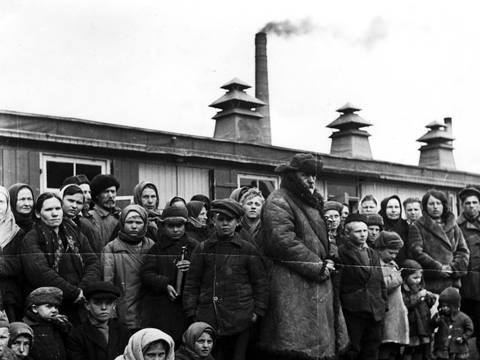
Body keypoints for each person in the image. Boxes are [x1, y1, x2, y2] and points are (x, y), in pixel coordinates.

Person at [258, 153, 348, 360]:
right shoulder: (278, 200)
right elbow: (282, 241)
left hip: (316, 285)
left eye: (313, 176)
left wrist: (331, 259)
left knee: (316, 347)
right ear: (291, 176)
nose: (311, 180)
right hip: (291, 285)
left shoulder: (310, 201)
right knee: (295, 347)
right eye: (304, 175)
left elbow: (326, 238)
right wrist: (317, 266)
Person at [183, 199, 268, 360]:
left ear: (237, 222)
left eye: (229, 220)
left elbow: (260, 283)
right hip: (209, 318)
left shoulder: (247, 249)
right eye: (220, 219)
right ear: (213, 221)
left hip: (241, 318)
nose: (225, 224)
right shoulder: (202, 249)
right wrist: (191, 311)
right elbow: (192, 283)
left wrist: (258, 311)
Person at [21, 192, 100, 324]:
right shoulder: (32, 238)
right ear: (38, 214)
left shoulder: (74, 233)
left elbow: (92, 261)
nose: (55, 213)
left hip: (80, 303)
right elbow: (41, 273)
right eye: (48, 209)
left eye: (57, 208)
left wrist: (83, 289)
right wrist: (73, 293)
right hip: (50, 307)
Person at [141, 206, 198, 344]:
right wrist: (165, 284)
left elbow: (205, 274)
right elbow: (146, 274)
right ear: (163, 226)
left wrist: (192, 267)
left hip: (188, 307)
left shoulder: (195, 247)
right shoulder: (157, 248)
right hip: (163, 308)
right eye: (170, 226)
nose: (175, 230)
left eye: (179, 225)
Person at [338, 213, 387, 360]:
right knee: (353, 349)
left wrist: (384, 303)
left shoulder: (373, 254)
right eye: (358, 231)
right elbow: (339, 284)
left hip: (375, 310)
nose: (363, 235)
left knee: (372, 347)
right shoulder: (341, 253)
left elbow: (380, 281)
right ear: (347, 233)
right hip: (354, 310)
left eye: (365, 231)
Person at [102, 205, 154, 332]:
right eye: (130, 222)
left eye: (138, 222)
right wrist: (112, 313)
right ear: (122, 223)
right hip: (124, 310)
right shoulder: (112, 248)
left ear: (145, 224)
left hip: (148, 309)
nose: (134, 226)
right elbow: (107, 281)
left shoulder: (152, 246)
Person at [409, 189, 470, 294]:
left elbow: (463, 250)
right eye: (431, 204)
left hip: (452, 281)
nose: (435, 207)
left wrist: (453, 268)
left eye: (438, 203)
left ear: (444, 205)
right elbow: (417, 252)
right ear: (425, 206)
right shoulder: (417, 226)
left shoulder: (453, 225)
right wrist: (439, 268)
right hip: (431, 284)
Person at [66, 281, 130, 360]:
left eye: (108, 303)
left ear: (114, 305)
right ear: (87, 305)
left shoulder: (123, 331)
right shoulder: (77, 336)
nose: (103, 307)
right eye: (98, 303)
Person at [375, 231, 409, 360]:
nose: (394, 256)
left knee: (393, 347)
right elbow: (381, 286)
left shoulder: (391, 264)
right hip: (387, 312)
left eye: (396, 253)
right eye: (391, 253)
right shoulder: (377, 264)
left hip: (395, 311)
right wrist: (397, 278)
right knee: (385, 345)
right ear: (380, 249)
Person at [456, 186, 480, 354]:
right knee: (466, 328)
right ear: (462, 206)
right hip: (468, 287)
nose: (472, 206)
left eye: (475, 202)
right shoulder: (457, 227)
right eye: (468, 203)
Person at [23, 287, 71, 360]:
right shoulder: (26, 327)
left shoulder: (57, 325)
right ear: (34, 309)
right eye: (49, 306)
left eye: (56, 307)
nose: (54, 310)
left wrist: (65, 326)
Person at [401, 259, 436, 360]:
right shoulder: (402, 290)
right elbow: (406, 303)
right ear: (405, 276)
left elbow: (428, 304)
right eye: (415, 277)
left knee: (424, 349)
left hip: (424, 324)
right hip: (412, 325)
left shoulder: (420, 286)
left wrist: (430, 298)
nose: (418, 280)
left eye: (420, 277)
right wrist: (419, 296)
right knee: (410, 350)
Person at [0, 186, 26, 322]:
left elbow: (20, 264)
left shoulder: (16, 233)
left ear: (7, 204)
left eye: (0, 202)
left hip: (9, 296)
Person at [431, 287, 473, 360]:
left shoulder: (463, 318)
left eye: (447, 306)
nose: (444, 308)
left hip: (458, 349)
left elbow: (470, 329)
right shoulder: (440, 315)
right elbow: (432, 325)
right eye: (442, 306)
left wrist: (464, 337)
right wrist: (436, 320)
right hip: (442, 348)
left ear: (454, 306)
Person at [59, 184, 102, 254]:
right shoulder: (54, 223)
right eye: (70, 201)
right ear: (61, 200)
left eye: (79, 203)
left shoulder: (85, 226)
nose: (74, 206)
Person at [89, 174, 121, 247]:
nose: (110, 195)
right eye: (106, 192)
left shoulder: (120, 215)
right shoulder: (91, 218)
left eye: (113, 191)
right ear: (97, 195)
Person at [379, 195, 410, 263]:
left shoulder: (405, 225)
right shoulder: (379, 225)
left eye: (396, 207)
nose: (393, 210)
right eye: (390, 207)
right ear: (384, 209)